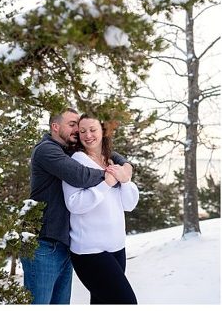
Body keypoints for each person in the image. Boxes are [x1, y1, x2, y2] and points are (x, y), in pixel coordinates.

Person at [21, 108, 133, 304]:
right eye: (73, 125)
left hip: (64, 243)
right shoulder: (46, 150)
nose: (77, 130)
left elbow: (103, 151)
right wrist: (111, 174)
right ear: (55, 127)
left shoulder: (68, 149)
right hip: (43, 242)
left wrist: (125, 166)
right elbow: (79, 175)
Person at [62, 113, 139, 304]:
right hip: (89, 251)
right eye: (82, 131)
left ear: (103, 132)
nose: (88, 135)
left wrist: (125, 181)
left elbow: (129, 205)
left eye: (93, 129)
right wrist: (105, 184)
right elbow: (74, 203)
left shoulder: (112, 162)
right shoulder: (75, 163)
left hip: (117, 247)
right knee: (126, 303)